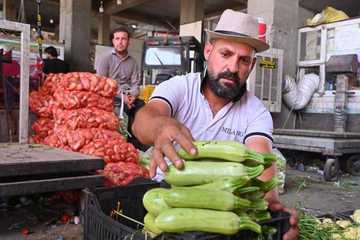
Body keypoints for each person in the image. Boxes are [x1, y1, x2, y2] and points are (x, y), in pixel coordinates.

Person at [132, 9, 298, 240]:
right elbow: (143, 121)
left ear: (251, 66)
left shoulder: (256, 111)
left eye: (243, 60)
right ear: (209, 52)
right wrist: (159, 126)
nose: (232, 67)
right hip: (166, 195)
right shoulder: (180, 87)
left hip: (220, 208)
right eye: (226, 54)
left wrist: (269, 202)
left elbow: (260, 158)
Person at [96, 26, 146, 150]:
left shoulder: (133, 62)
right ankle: (111, 144)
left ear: (128, 42)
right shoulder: (105, 59)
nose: (120, 42)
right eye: (117, 38)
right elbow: (101, 82)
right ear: (113, 41)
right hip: (109, 96)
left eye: (123, 39)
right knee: (113, 116)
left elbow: (135, 84)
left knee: (142, 108)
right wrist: (121, 96)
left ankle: (136, 146)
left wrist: (132, 97)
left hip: (127, 97)